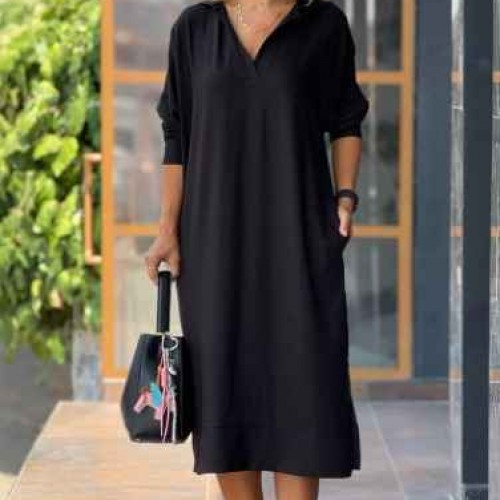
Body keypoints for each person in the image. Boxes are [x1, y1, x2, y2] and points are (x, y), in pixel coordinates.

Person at [145, 0, 369, 498]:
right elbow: (176, 134)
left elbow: (347, 119)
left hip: (298, 240)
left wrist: (345, 197)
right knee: (225, 395)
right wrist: (167, 229)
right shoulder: (195, 29)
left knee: (303, 394)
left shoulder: (323, 24)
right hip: (213, 246)